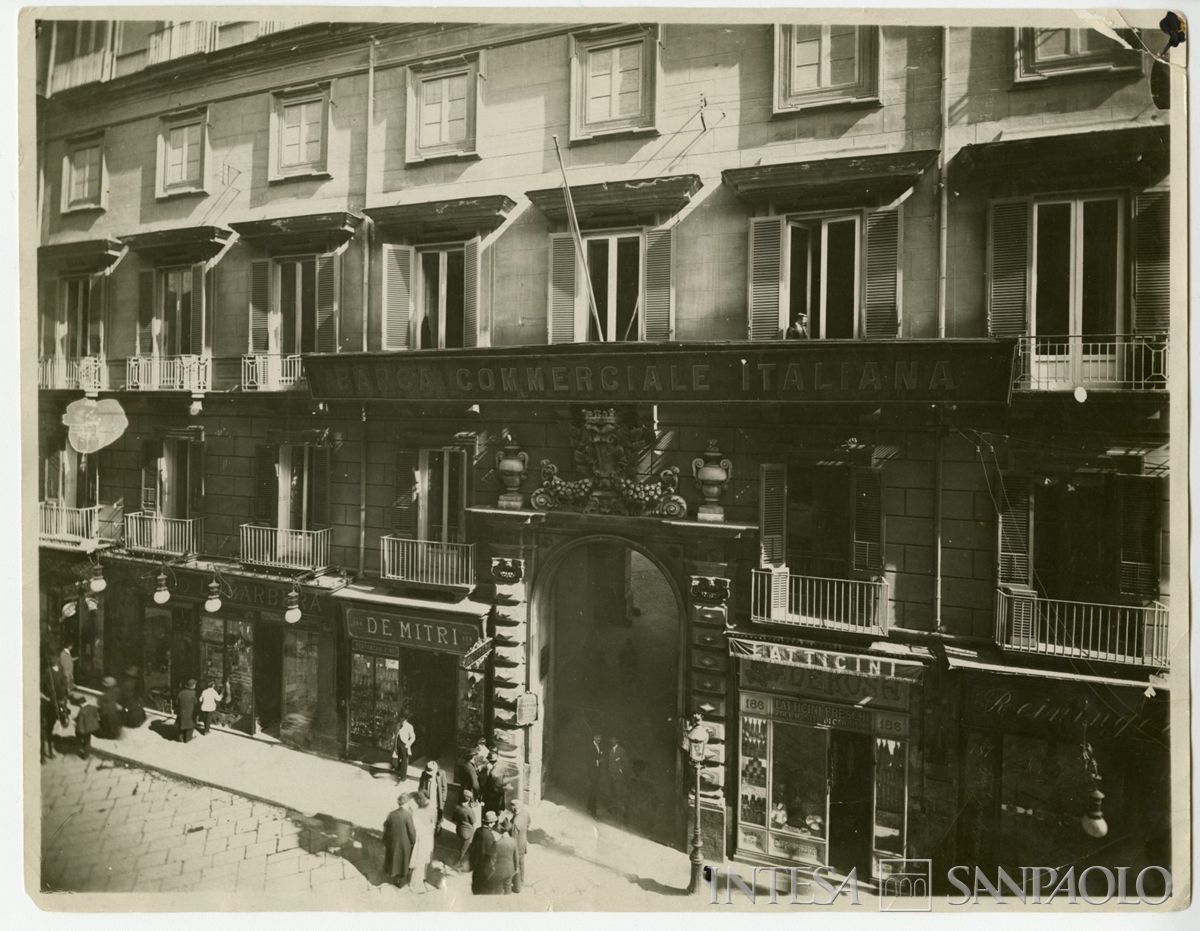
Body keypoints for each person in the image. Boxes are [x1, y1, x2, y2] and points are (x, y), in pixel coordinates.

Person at [383, 792, 417, 888]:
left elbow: (386, 826)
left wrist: (386, 840)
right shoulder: (407, 815)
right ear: (406, 803)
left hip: (393, 842)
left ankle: (394, 876)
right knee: (403, 861)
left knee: (394, 860)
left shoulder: (391, 814)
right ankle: (400, 879)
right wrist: (413, 841)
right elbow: (411, 831)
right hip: (404, 843)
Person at [406, 790, 437, 893]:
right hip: (427, 837)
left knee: (419, 858)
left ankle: (415, 882)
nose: (420, 800)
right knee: (423, 858)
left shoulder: (417, 812)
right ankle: (420, 878)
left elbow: (412, 824)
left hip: (422, 837)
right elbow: (433, 822)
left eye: (420, 798)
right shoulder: (430, 807)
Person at [40, 655, 69, 761]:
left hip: (60, 700)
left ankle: (50, 752)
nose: (55, 661)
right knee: (44, 729)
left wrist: (65, 689)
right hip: (50, 701)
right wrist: (46, 696)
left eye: (56, 660)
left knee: (51, 729)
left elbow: (64, 681)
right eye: (53, 660)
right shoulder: (47, 672)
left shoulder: (61, 669)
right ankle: (42, 755)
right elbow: (41, 686)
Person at [469, 810, 499, 894]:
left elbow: (473, 847)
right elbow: (492, 855)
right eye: (493, 822)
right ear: (490, 823)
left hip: (476, 865)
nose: (494, 824)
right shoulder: (490, 836)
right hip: (485, 868)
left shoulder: (478, 831)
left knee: (476, 886)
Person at [453, 788, 482, 871]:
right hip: (467, 832)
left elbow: (454, 818)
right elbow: (474, 821)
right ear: (469, 799)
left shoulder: (457, 807)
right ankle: (458, 862)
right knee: (464, 848)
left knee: (462, 844)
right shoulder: (469, 810)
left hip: (459, 829)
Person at [491, 817, 520, 894]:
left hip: (499, 870)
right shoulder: (513, 842)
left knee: (498, 888)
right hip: (510, 869)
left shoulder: (497, 843)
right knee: (507, 887)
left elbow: (493, 858)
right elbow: (516, 857)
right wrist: (516, 868)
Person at [507, 798, 530, 890]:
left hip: (517, 845)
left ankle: (517, 886)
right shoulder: (525, 813)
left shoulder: (516, 822)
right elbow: (528, 823)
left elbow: (513, 837)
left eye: (512, 807)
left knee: (515, 865)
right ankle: (522, 881)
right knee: (521, 863)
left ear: (514, 808)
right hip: (523, 842)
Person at [418, 760, 448, 828]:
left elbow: (444, 787)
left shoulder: (442, 773)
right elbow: (420, 786)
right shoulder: (424, 774)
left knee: (438, 813)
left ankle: (438, 825)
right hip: (428, 797)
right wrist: (421, 796)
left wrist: (443, 799)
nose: (429, 774)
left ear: (435, 770)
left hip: (436, 798)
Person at [605, 736, 627, 820]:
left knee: (618, 792)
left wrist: (620, 769)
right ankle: (611, 810)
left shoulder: (621, 750)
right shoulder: (610, 750)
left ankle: (619, 813)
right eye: (612, 740)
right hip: (611, 774)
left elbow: (625, 762)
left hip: (618, 775)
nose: (613, 741)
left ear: (617, 741)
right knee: (612, 791)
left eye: (614, 740)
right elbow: (609, 762)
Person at [97, 675, 123, 740]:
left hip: (108, 718)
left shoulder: (103, 697)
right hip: (116, 715)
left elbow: (102, 711)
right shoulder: (118, 691)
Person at [392, 715, 415, 781]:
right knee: (399, 759)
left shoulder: (409, 726)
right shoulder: (398, 725)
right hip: (397, 744)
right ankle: (399, 773)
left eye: (403, 720)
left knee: (404, 761)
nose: (402, 722)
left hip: (404, 745)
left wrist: (408, 744)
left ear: (406, 720)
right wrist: (394, 743)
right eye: (401, 720)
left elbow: (413, 737)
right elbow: (395, 734)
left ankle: (403, 777)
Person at [586, 733, 604, 817]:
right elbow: (588, 760)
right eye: (597, 737)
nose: (599, 739)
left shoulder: (599, 746)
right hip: (592, 772)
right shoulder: (590, 747)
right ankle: (593, 811)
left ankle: (589, 806)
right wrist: (598, 762)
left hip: (596, 772)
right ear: (594, 737)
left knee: (594, 790)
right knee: (594, 790)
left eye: (600, 738)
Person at [176, 678, 197, 743]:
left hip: (181, 712)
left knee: (181, 724)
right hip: (190, 712)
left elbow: (176, 702)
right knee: (190, 725)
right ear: (193, 685)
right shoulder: (194, 693)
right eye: (195, 684)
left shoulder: (181, 692)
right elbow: (196, 703)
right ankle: (188, 739)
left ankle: (180, 737)